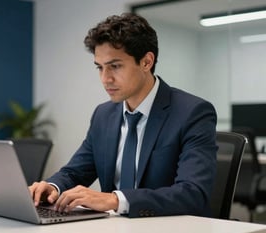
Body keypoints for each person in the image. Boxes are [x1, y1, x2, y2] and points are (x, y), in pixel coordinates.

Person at [29, 12, 217, 218]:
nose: (105, 78)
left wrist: (115, 200)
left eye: (115, 66)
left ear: (146, 62)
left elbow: (193, 193)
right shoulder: (103, 115)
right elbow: (75, 171)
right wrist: (52, 187)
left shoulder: (192, 112)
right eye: (99, 68)